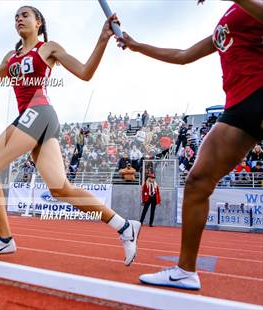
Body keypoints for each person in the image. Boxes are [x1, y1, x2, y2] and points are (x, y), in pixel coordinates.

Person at [0, 6, 141, 265]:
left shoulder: (47, 48)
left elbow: (86, 72)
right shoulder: (11, 56)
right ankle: (124, 226)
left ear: (39, 22)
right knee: (60, 189)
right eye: (16, 17)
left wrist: (102, 39)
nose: (19, 19)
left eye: (25, 15)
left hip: (39, 112)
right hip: (36, 120)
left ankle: (5, 239)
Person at [120, 0, 263, 289]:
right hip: (238, 107)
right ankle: (186, 270)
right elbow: (183, 55)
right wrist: (137, 46)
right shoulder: (229, 17)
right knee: (197, 182)